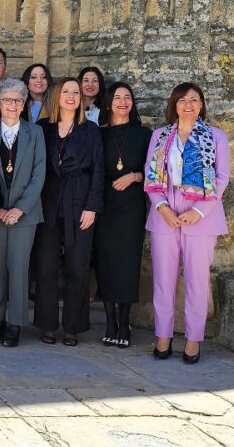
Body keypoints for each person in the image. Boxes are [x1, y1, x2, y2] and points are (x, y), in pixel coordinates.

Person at [145, 83, 230, 364]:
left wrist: (200, 211)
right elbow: (150, 177)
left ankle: (193, 340)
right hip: (165, 213)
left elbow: (222, 178)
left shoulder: (216, 137)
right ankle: (163, 336)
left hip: (201, 217)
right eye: (182, 100)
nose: (188, 104)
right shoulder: (160, 136)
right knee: (164, 280)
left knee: (197, 280)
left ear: (202, 105)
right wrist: (163, 208)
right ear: (174, 105)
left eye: (194, 99)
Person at [33, 77, 104, 346]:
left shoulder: (91, 130)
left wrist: (92, 207)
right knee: (46, 266)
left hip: (80, 202)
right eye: (66, 91)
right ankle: (48, 324)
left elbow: (99, 170)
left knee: (78, 267)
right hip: (48, 203)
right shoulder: (42, 128)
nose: (72, 96)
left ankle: (72, 327)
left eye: (76, 92)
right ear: (57, 96)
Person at [0, 79, 46, 348]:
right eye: (7, 100)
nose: (12, 105)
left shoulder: (35, 133)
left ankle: (15, 324)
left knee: (18, 269)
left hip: (25, 214)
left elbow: (39, 173)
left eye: (18, 100)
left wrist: (20, 208)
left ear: (24, 105)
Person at [95, 82, 150, 349]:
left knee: (127, 263)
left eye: (128, 97)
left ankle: (125, 322)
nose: (122, 101)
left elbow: (154, 172)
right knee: (105, 262)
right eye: (117, 97)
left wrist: (134, 176)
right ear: (108, 103)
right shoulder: (98, 134)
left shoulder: (144, 135)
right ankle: (109, 323)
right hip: (105, 207)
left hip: (131, 206)